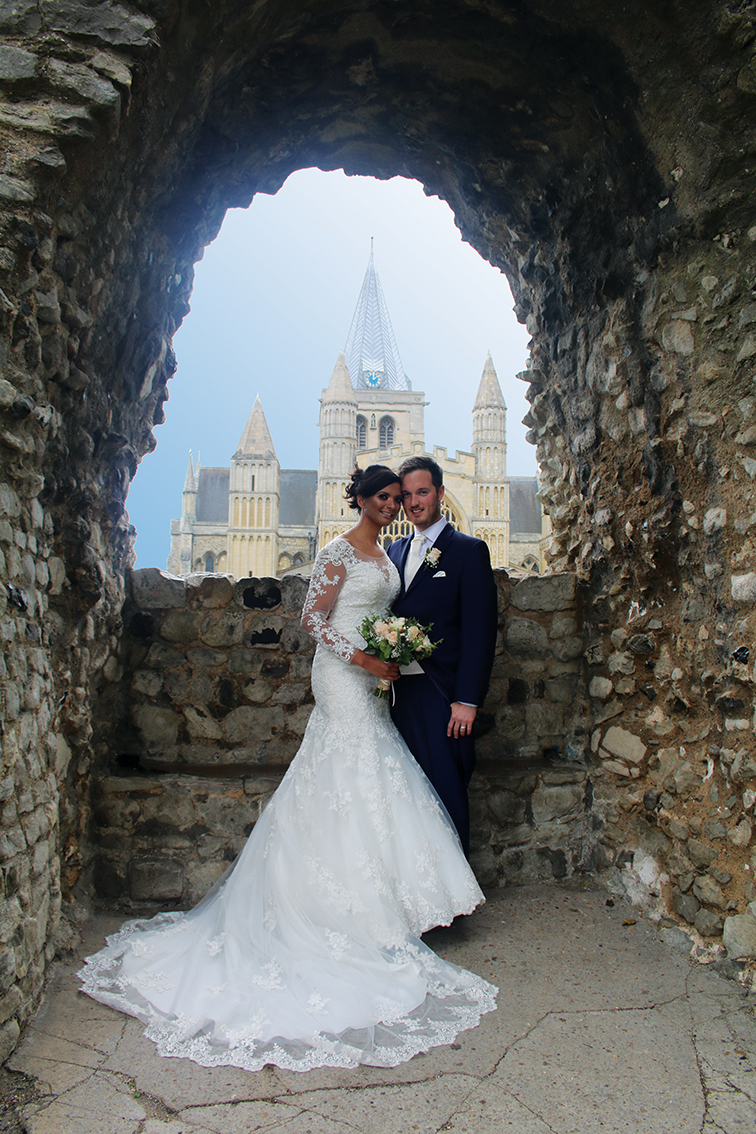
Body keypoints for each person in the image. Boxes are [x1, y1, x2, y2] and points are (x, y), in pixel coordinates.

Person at [78, 464, 496, 1073]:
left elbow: (417, 615)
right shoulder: (339, 551)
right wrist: (364, 658)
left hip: (382, 684)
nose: (395, 504)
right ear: (360, 498)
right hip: (345, 677)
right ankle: (343, 912)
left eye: (403, 496)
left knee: (373, 776)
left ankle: (387, 906)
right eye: (385, 496)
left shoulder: (392, 553)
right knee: (346, 770)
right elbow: (313, 619)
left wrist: (390, 654)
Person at [387, 456, 498, 856]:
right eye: (407, 495)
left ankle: (456, 885)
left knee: (445, 791)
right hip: (396, 694)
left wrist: (467, 700)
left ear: (439, 493)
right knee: (405, 794)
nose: (414, 502)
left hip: (441, 693)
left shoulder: (468, 551)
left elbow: (480, 631)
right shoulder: (394, 549)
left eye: (422, 492)